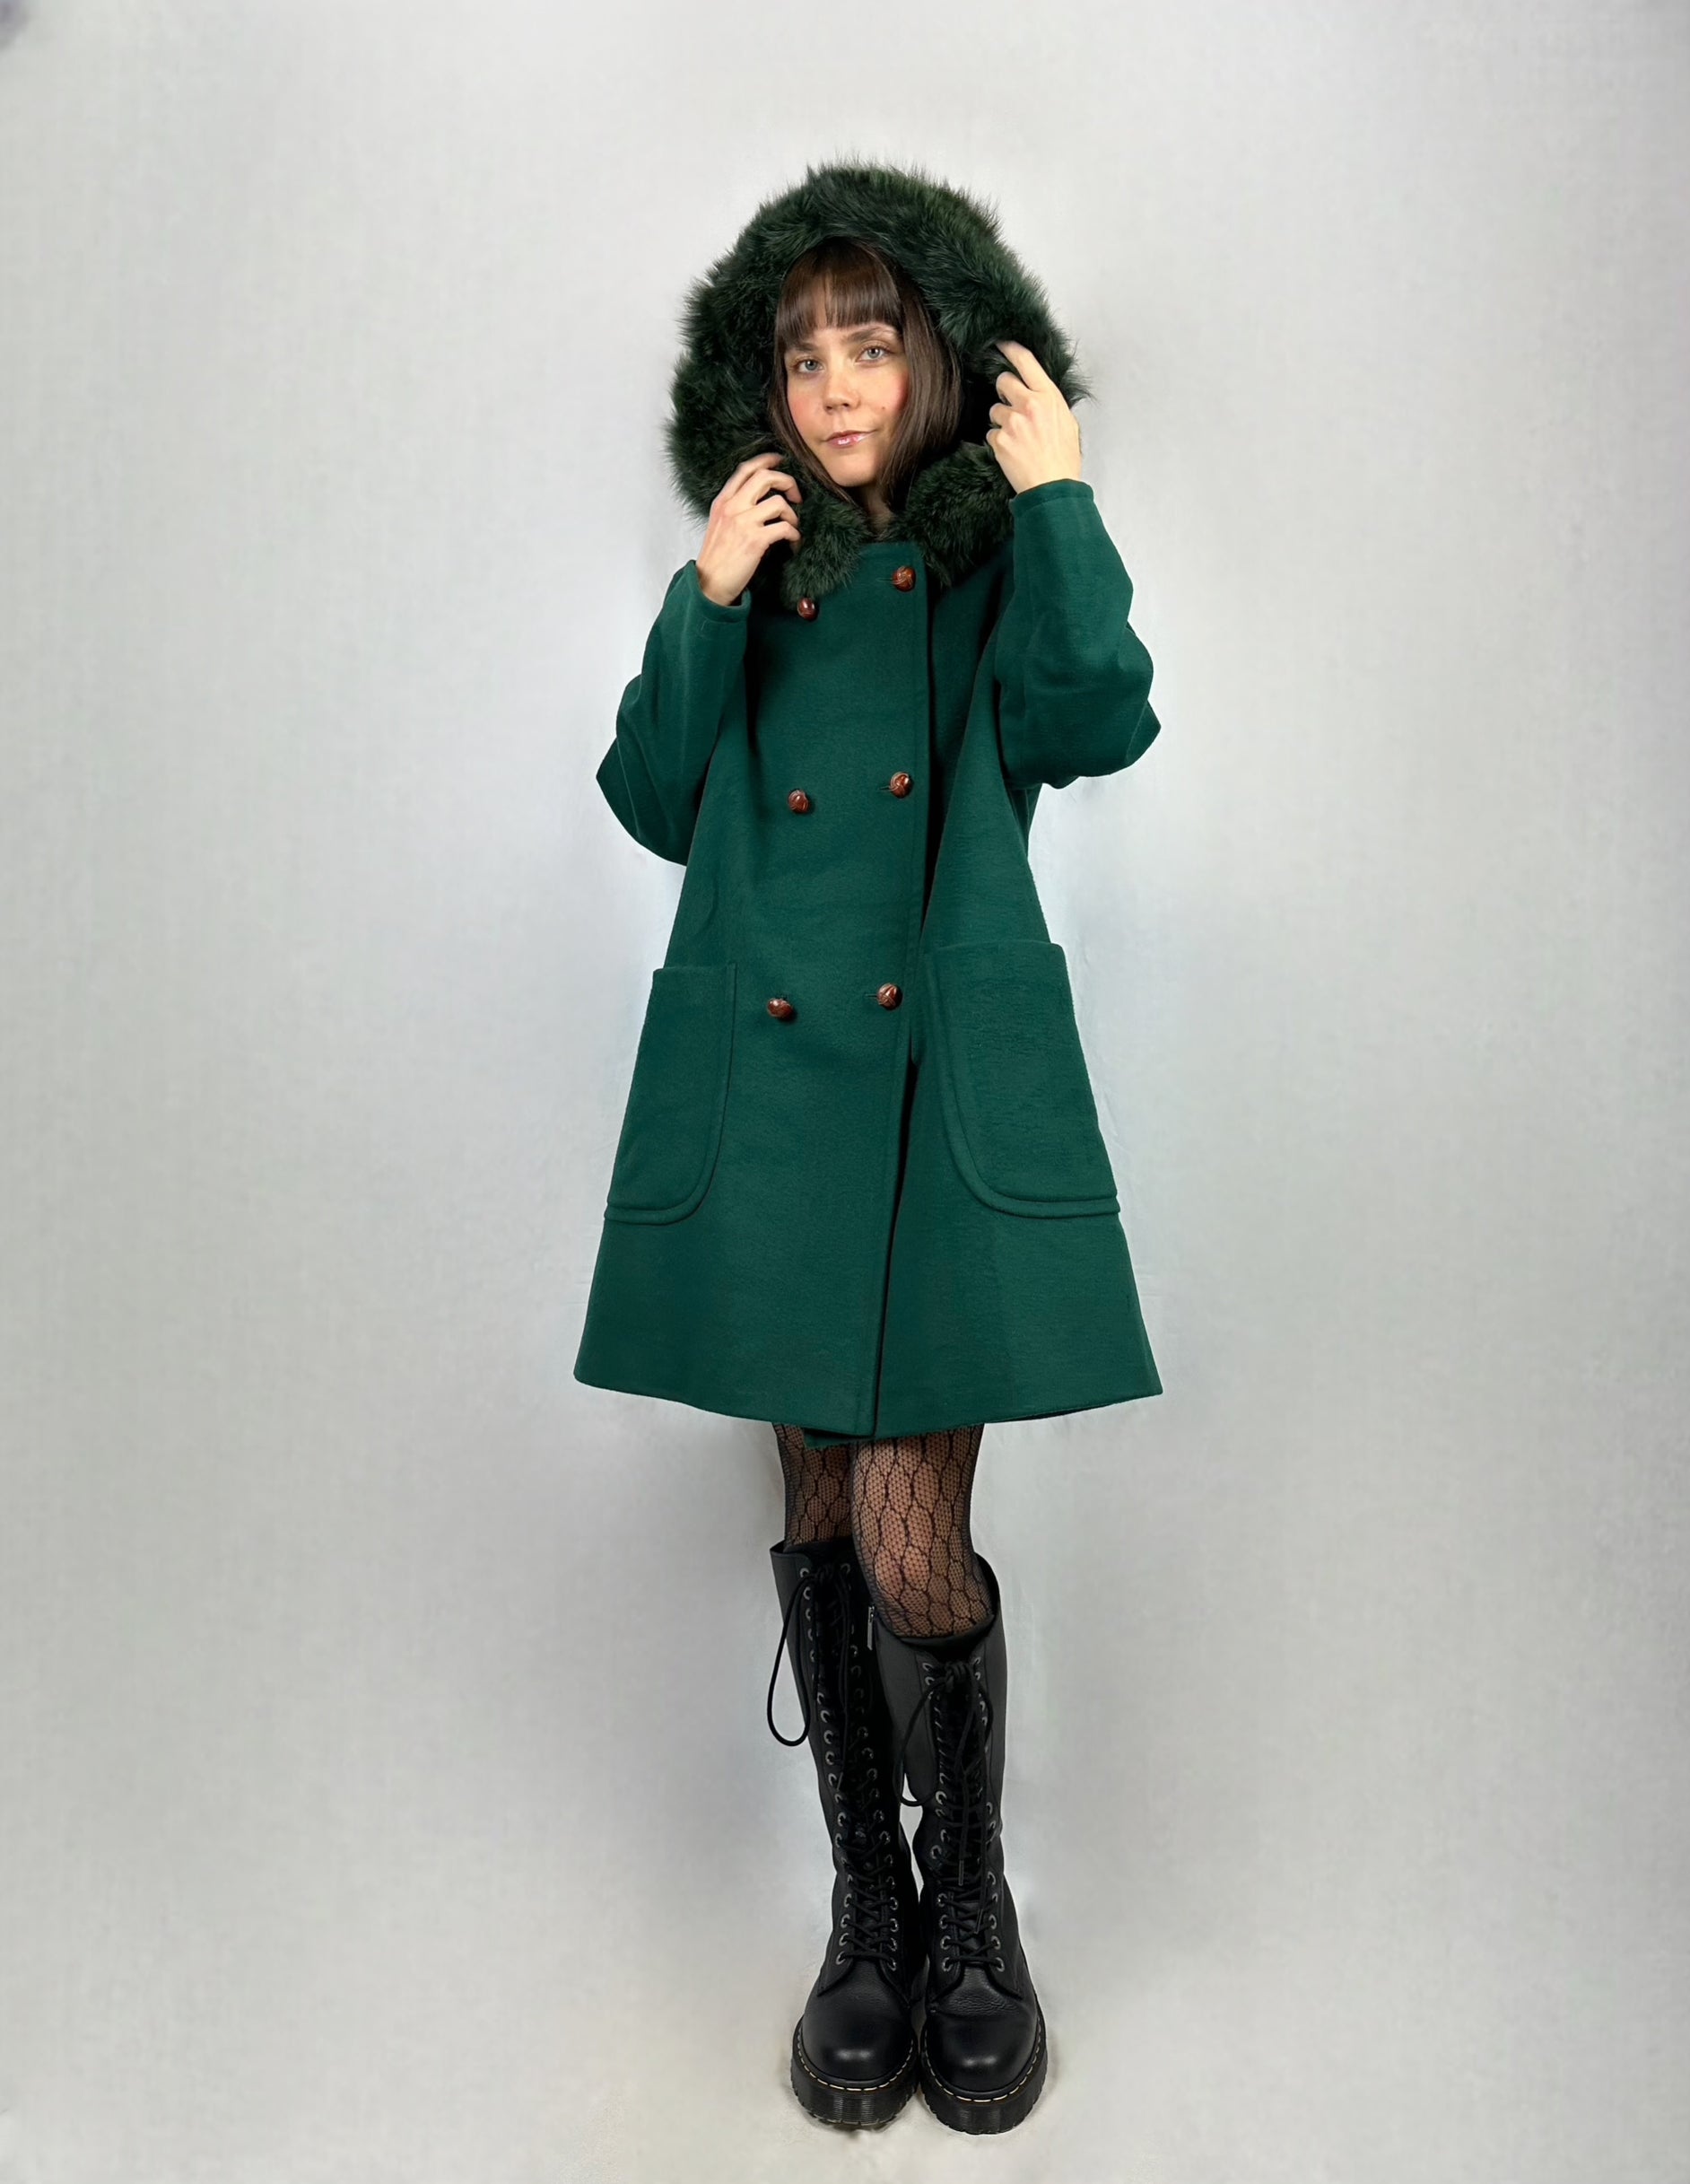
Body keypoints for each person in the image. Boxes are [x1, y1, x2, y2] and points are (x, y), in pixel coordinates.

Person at [573, 160, 1164, 2135]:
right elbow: (653, 795)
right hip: (771, 1105)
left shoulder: (986, 576)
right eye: (802, 354)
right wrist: (702, 597)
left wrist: (1057, 498)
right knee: (823, 1512)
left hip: (927, 1092)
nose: (834, 385)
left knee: (915, 1538)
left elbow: (1095, 719)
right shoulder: (746, 575)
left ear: (939, 360)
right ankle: (874, 1910)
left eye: (870, 344)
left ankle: (970, 1899)